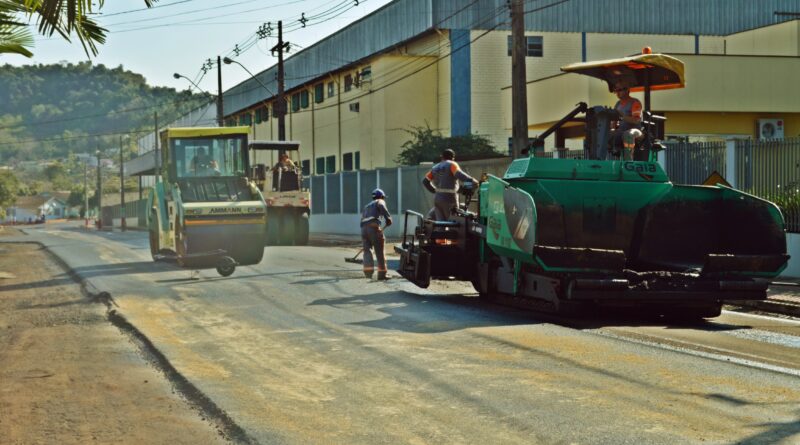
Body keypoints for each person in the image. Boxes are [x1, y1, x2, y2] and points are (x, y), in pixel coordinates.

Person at [422, 148, 478, 220]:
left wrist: (435, 191)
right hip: (450, 199)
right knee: (453, 223)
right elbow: (463, 177)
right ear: (453, 158)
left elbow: (425, 181)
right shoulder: (452, 164)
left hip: (438, 199)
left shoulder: (435, 168)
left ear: (442, 157)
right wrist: (471, 185)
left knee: (440, 224)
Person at [360, 188, 393, 280]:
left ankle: (368, 273)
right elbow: (382, 207)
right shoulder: (380, 201)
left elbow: (362, 220)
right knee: (380, 251)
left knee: (367, 251)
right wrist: (388, 218)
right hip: (373, 228)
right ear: (381, 196)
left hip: (363, 230)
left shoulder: (366, 206)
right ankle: (382, 275)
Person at [610, 80, 643, 160]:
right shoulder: (618, 104)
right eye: (616, 90)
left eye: (620, 90)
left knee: (628, 134)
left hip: (636, 131)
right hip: (621, 131)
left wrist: (622, 116)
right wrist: (611, 130)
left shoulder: (635, 102)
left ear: (627, 90)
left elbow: (636, 120)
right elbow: (613, 122)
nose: (617, 93)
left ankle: (628, 161)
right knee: (605, 134)